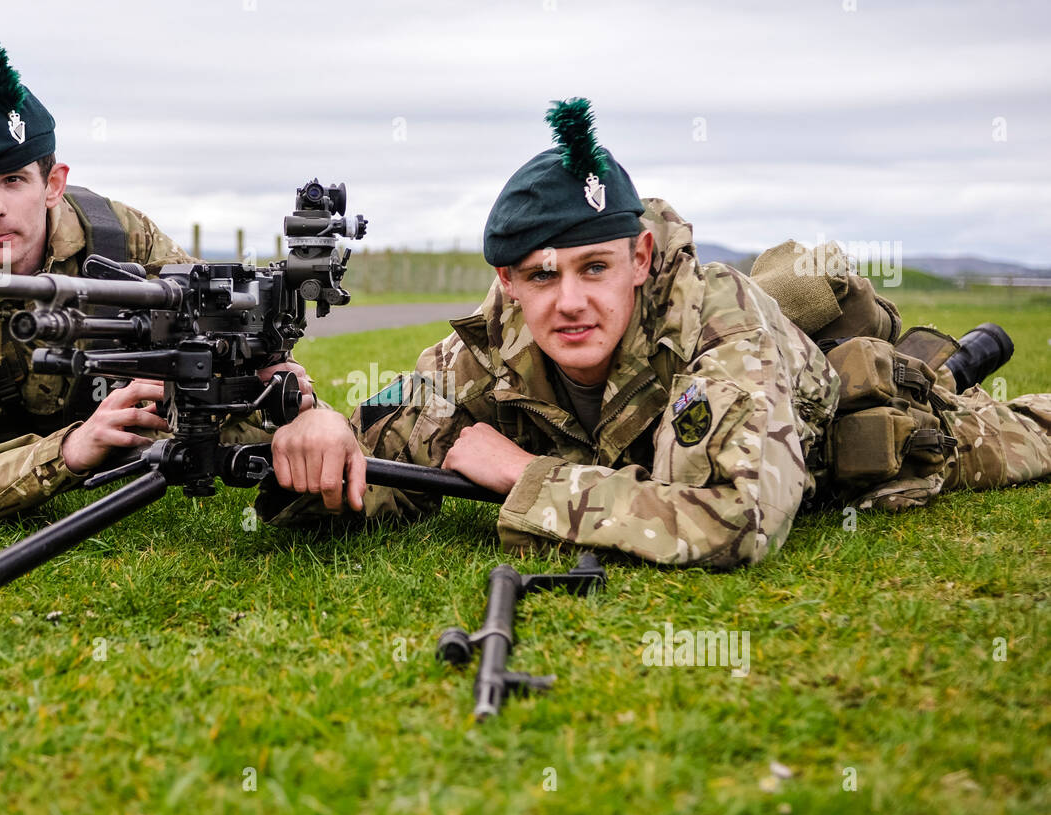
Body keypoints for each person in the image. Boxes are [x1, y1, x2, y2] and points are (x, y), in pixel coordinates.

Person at [258, 99, 1051, 567]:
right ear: (507, 283)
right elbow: (363, 467)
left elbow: (738, 519)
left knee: (977, 430)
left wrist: (526, 477)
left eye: (593, 268)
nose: (568, 301)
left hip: (833, 424)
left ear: (640, 257)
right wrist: (314, 426)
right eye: (540, 275)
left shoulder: (719, 322)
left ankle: (945, 372)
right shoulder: (484, 351)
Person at [0, 33, 306, 527]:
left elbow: (222, 335)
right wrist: (70, 451)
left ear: (52, 184)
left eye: (13, 180)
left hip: (132, 425)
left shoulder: (121, 239)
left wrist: (266, 383)